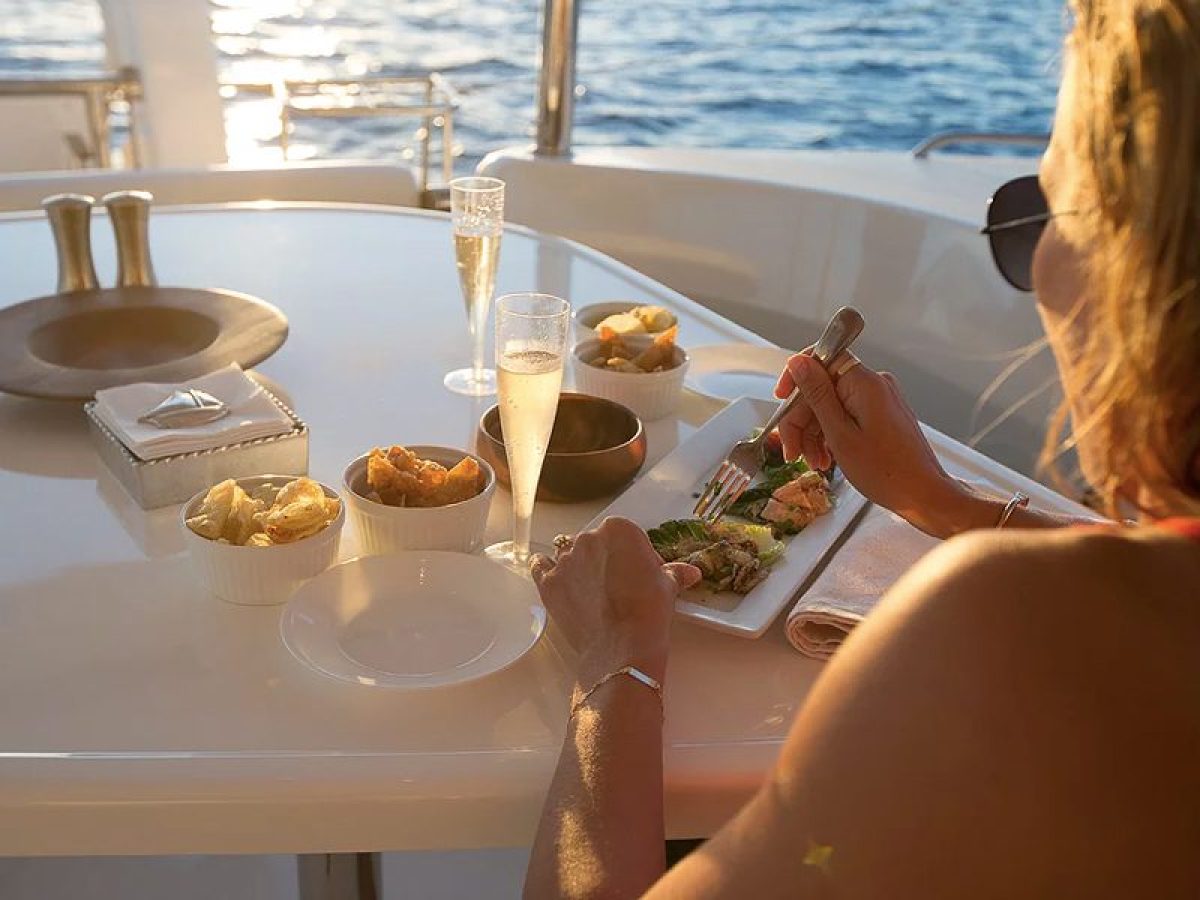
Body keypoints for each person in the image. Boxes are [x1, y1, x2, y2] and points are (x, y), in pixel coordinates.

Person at [522, 1, 1200, 897]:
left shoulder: (1002, 620)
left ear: (1146, 272)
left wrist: (616, 659)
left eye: (1046, 212)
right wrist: (940, 501)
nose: (1037, 269)